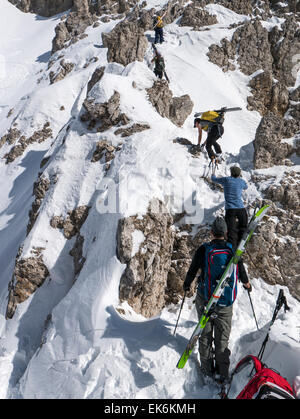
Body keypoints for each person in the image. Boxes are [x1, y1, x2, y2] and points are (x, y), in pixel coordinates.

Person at [183, 217, 251, 383]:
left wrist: (186, 285)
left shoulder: (204, 250)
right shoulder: (232, 250)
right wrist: (247, 284)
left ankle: (207, 371)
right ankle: (222, 374)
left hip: (206, 299)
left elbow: (192, 270)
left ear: (212, 232)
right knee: (222, 339)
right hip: (225, 302)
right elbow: (240, 269)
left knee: (205, 336)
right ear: (226, 233)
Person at [211, 166, 248, 249]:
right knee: (243, 226)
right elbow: (246, 187)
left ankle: (233, 248)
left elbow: (214, 179)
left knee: (231, 231)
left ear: (231, 173)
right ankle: (241, 243)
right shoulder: (241, 181)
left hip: (230, 210)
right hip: (240, 208)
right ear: (239, 174)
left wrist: (213, 175)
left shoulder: (226, 180)